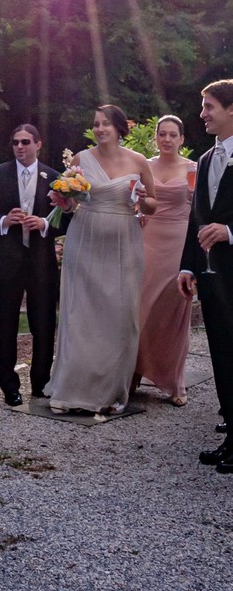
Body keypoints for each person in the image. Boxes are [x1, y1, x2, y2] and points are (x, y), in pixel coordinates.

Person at [46, 104, 156, 417]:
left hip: (123, 244)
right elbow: (72, 207)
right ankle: (72, 388)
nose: (99, 129)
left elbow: (153, 206)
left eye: (106, 124)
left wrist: (139, 198)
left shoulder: (138, 161)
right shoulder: (81, 159)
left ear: (120, 128)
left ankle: (108, 390)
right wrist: (65, 200)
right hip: (85, 241)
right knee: (81, 314)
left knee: (118, 315)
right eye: (96, 124)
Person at [0, 124, 64, 407]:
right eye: (15, 143)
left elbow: (68, 219)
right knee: (4, 325)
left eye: (25, 142)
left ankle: (40, 384)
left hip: (41, 262)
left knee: (44, 324)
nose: (20, 147)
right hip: (7, 261)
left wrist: (45, 223)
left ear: (38, 144)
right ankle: (9, 387)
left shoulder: (56, 178)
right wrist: (3, 221)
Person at [178, 79, 233, 474]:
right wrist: (186, 265)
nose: (202, 114)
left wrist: (231, 232)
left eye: (210, 106)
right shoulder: (205, 159)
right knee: (223, 356)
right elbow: (195, 220)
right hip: (213, 280)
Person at [133, 116, 194, 406]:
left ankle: (174, 382)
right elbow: (133, 200)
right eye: (162, 134)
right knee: (140, 307)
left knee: (174, 310)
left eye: (173, 134)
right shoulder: (143, 164)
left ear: (182, 139)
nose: (167, 139)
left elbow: (201, 206)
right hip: (147, 239)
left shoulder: (193, 168)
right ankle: (133, 371)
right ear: (156, 137)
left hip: (179, 242)